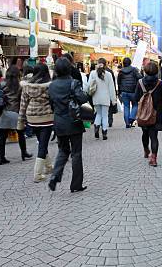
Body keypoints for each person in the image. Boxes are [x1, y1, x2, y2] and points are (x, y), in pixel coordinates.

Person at [48, 58, 89, 192]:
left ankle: (55, 175)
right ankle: (76, 184)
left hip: (59, 122)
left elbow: (51, 104)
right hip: (73, 121)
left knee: (63, 150)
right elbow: (82, 98)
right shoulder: (73, 83)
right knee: (76, 153)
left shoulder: (52, 85)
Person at [18, 63, 54, 182]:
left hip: (32, 119)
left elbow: (23, 105)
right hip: (46, 118)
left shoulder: (27, 86)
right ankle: (37, 174)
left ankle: (48, 167)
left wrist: (20, 122)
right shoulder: (49, 86)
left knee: (42, 143)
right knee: (43, 145)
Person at [0, 66, 32, 164]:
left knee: (2, 137)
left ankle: (1, 157)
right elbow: (23, 100)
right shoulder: (19, 86)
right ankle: (24, 153)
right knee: (21, 134)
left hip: (4, 113)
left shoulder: (1, 84)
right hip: (16, 113)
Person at [134, 61, 162, 167]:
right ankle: (154, 158)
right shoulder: (160, 83)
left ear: (145, 71)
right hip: (155, 114)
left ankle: (146, 150)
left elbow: (135, 98)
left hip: (143, 114)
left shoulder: (140, 83)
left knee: (145, 133)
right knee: (154, 136)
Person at [88, 58, 117, 140]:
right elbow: (111, 88)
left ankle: (96, 127)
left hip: (96, 97)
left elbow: (89, 85)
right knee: (105, 116)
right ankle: (104, 133)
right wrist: (113, 100)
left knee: (98, 114)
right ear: (105, 65)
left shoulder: (93, 73)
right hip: (106, 98)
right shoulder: (108, 74)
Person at [117, 57, 142, 128]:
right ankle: (131, 117)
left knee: (126, 106)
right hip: (133, 91)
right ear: (130, 62)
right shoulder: (134, 70)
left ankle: (127, 123)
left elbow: (119, 82)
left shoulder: (121, 72)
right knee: (135, 105)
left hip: (124, 91)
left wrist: (119, 92)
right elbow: (140, 77)